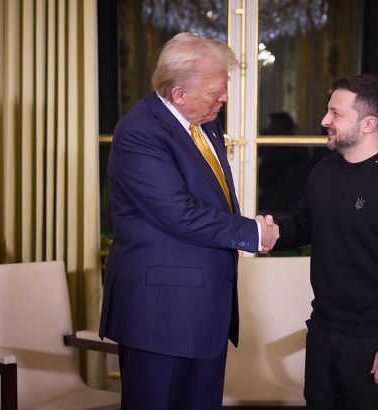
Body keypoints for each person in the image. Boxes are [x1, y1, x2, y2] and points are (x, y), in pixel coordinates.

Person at [98, 32, 279, 410]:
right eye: (216, 90)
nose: (224, 97)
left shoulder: (205, 122)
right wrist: (252, 232)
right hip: (160, 313)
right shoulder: (139, 131)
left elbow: (211, 199)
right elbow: (177, 212)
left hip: (206, 310)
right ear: (178, 94)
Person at [265, 74, 378, 409]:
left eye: (336, 113)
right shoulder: (323, 171)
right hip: (322, 329)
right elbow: (303, 225)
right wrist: (269, 232)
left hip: (375, 340)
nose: (324, 120)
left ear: (369, 123)